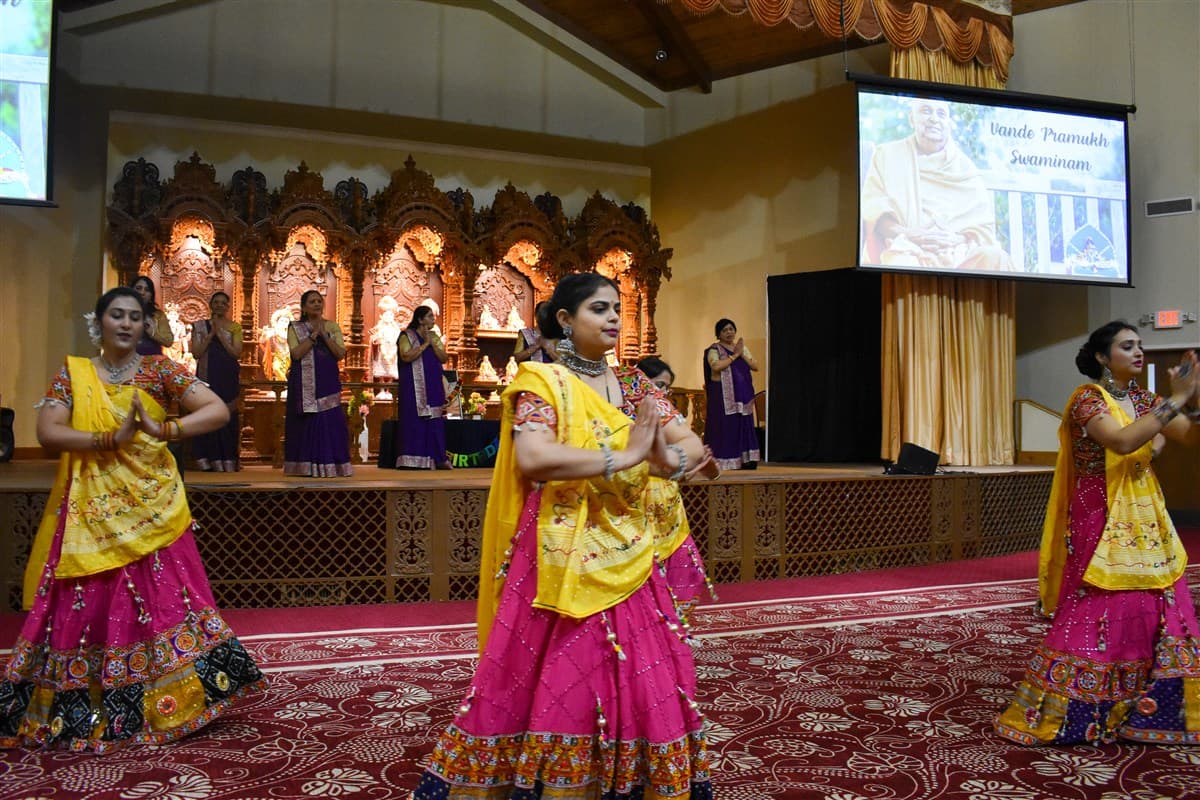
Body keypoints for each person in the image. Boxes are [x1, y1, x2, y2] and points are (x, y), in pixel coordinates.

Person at [413, 273, 719, 799]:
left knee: (644, 671)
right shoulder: (541, 381)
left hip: (630, 545)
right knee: (564, 670)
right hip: (562, 549)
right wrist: (623, 457)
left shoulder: (635, 385)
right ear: (565, 320)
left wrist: (667, 460)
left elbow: (691, 445)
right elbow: (534, 456)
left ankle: (627, 779)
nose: (614, 319)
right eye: (599, 309)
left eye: (618, 309)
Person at [0, 287, 265, 751]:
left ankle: (172, 698)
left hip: (151, 506)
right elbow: (48, 431)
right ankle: (88, 702)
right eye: (117, 315)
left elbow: (217, 410)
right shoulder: (76, 373)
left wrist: (163, 430)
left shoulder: (159, 370)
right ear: (98, 322)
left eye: (135, 317)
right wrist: (108, 439)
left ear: (146, 326)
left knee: (158, 595)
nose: (125, 324)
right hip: (91, 509)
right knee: (90, 598)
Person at [995, 321, 1200, 745]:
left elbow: (1184, 435)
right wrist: (1173, 404)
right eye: (1128, 346)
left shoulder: (1143, 398)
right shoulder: (1087, 400)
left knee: (1156, 597)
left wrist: (1187, 401)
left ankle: (1150, 705)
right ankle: (1081, 703)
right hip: (1100, 512)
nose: (1139, 352)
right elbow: (1123, 443)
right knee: (1101, 603)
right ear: (1104, 357)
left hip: (1145, 512)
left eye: (1141, 346)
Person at [860, 97, 1011, 271]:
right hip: (906, 245)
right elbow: (874, 215)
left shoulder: (965, 167)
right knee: (900, 263)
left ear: (948, 122)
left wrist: (955, 240)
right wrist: (912, 235)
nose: (934, 119)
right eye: (926, 111)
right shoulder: (887, 155)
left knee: (995, 257)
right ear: (912, 119)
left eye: (941, 113)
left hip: (958, 250)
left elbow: (982, 228)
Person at [283, 290, 352, 477]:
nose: (316, 304)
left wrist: (325, 335)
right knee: (305, 421)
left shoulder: (332, 327)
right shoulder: (295, 328)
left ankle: (332, 464)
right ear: (304, 307)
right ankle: (304, 466)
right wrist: (313, 335)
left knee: (330, 420)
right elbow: (296, 354)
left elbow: (340, 354)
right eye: (312, 301)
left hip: (327, 380)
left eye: (319, 301)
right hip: (303, 383)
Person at [393, 305, 451, 470]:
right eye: (430, 316)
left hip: (432, 383)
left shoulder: (434, 336)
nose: (433, 319)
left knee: (434, 418)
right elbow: (406, 356)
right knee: (414, 419)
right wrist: (425, 344)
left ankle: (437, 458)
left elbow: (443, 357)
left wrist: (432, 343)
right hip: (413, 386)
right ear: (420, 319)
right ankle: (411, 459)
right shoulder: (406, 335)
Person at [190, 291, 242, 471]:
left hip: (228, 376)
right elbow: (196, 352)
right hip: (206, 376)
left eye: (223, 303)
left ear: (228, 307)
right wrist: (211, 334)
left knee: (227, 415)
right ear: (210, 305)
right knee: (208, 414)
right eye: (216, 302)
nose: (220, 305)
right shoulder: (199, 326)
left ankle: (227, 459)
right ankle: (208, 459)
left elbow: (236, 353)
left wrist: (220, 335)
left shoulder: (234, 327)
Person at [704, 318, 760, 470]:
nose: (729, 332)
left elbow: (755, 366)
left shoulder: (741, 348)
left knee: (743, 424)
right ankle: (725, 461)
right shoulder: (714, 350)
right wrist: (734, 356)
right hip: (723, 397)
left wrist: (741, 354)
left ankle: (746, 460)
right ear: (719, 334)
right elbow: (715, 366)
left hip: (743, 395)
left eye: (731, 329)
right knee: (727, 426)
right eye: (725, 330)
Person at [130, 276, 175, 355]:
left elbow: (169, 341)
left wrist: (153, 332)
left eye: (147, 290)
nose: (142, 292)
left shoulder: (158, 315)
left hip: (152, 360)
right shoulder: (122, 313)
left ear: (151, 295)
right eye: (138, 288)